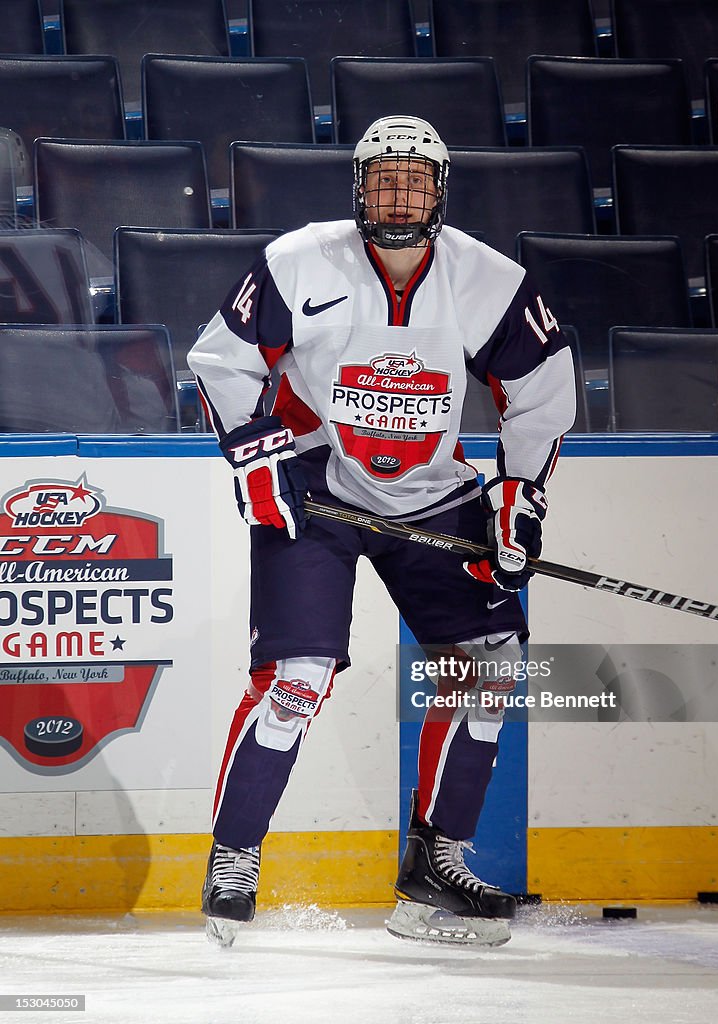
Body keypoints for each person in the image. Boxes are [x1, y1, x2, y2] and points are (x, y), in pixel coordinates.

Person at [188, 114, 576, 948]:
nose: (398, 195)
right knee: (296, 677)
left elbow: (541, 389)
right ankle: (235, 855)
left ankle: (438, 862)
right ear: (358, 188)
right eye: (383, 179)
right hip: (314, 488)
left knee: (492, 665)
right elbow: (223, 360)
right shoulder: (299, 260)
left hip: (434, 496)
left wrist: (517, 497)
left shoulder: (488, 280)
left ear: (441, 192)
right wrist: (254, 457)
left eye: (415, 180)